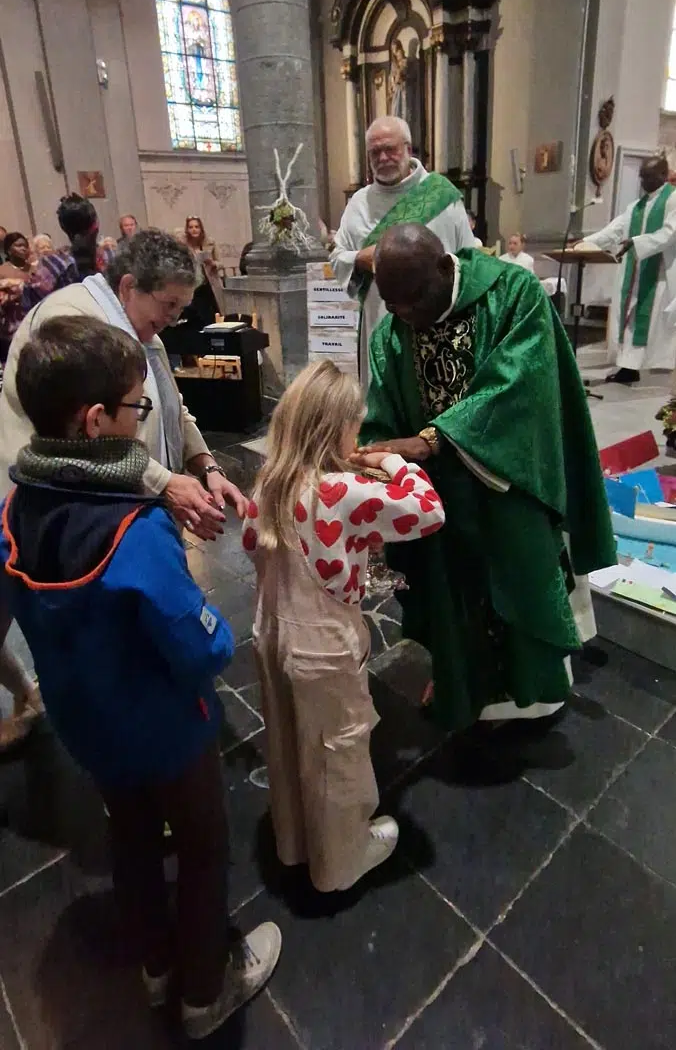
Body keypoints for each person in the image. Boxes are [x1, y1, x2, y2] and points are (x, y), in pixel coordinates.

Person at [0, 315, 281, 1038]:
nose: (142, 419)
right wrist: (218, 625)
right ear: (96, 421)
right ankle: (201, 992)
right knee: (201, 842)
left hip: (84, 722)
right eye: (137, 407)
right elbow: (200, 651)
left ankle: (154, 965)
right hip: (163, 728)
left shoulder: (16, 506)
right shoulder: (133, 530)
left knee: (128, 833)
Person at [359, 224, 615, 735]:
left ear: (444, 266)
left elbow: (519, 386)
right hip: (439, 496)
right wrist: (378, 456)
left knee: (517, 579)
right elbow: (384, 405)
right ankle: (462, 684)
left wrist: (432, 440)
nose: (402, 314)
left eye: (413, 298)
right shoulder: (394, 328)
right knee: (450, 594)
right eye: (391, 302)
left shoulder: (513, 294)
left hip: (506, 484)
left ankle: (530, 696)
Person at [242, 360, 445, 891]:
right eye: (355, 422)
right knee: (339, 751)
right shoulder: (338, 491)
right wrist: (392, 461)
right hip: (323, 643)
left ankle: (295, 842)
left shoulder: (269, 480)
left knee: (288, 739)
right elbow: (428, 512)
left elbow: (249, 546)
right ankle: (341, 862)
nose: (360, 432)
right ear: (335, 428)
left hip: (271, 629)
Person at [0, 228, 246, 539]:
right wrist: (166, 484)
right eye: (169, 304)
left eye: (181, 309)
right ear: (129, 285)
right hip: (68, 523)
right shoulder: (69, 319)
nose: (174, 318)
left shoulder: (140, 327)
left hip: (126, 512)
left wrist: (207, 466)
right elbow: (85, 437)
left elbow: (173, 408)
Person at [331, 116, 475, 384]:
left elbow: (469, 259)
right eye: (375, 152)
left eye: (390, 149)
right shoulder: (358, 204)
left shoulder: (441, 196)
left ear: (408, 149)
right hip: (379, 323)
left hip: (438, 324)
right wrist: (358, 259)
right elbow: (338, 257)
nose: (383, 157)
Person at [576, 155, 676, 384]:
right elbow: (614, 230)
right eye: (641, 176)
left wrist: (636, 242)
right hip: (635, 272)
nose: (643, 181)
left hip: (659, 273)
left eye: (648, 176)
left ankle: (647, 367)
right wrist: (584, 243)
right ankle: (629, 367)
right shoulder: (636, 206)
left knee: (650, 323)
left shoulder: (673, 200)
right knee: (629, 320)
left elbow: (670, 234)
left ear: (662, 175)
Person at [181, 216, 226, 327]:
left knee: (213, 317)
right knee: (196, 320)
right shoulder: (183, 246)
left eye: (197, 227)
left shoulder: (210, 243)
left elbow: (220, 263)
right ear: (187, 230)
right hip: (193, 286)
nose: (194, 229)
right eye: (191, 227)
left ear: (201, 228)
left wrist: (212, 263)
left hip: (209, 286)